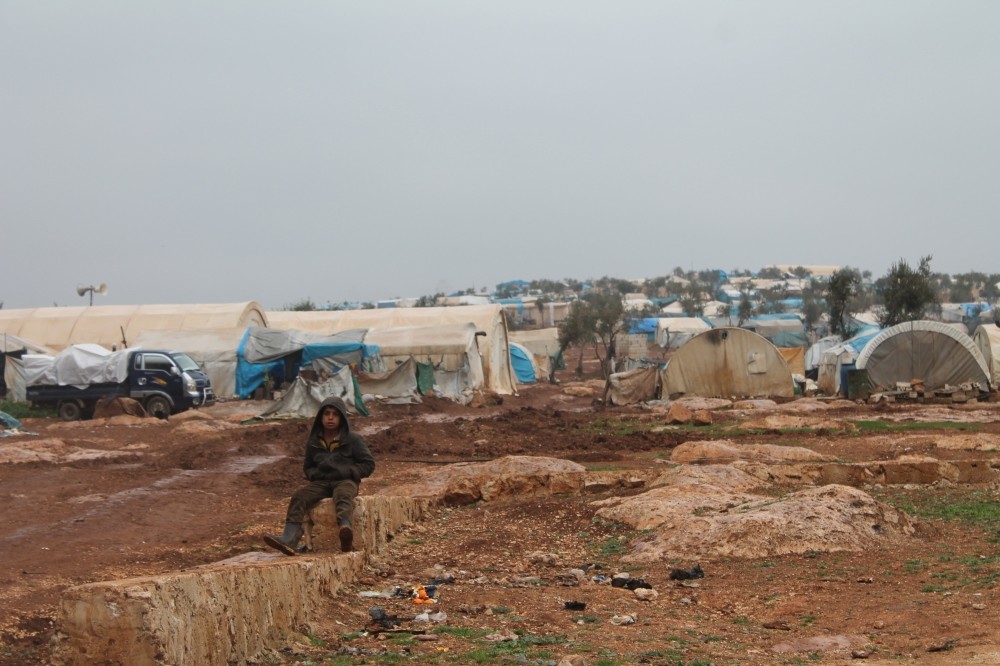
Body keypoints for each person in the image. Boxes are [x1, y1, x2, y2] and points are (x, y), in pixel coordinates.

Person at [264, 396, 375, 555]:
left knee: (343, 495)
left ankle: (345, 530)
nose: (330, 418)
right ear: (320, 417)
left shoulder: (353, 440)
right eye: (327, 414)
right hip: (322, 482)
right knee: (299, 496)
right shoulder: (314, 441)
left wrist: (350, 472)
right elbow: (308, 466)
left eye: (335, 414)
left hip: (345, 481)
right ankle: (290, 538)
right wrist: (314, 475)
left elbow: (369, 464)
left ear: (342, 418)